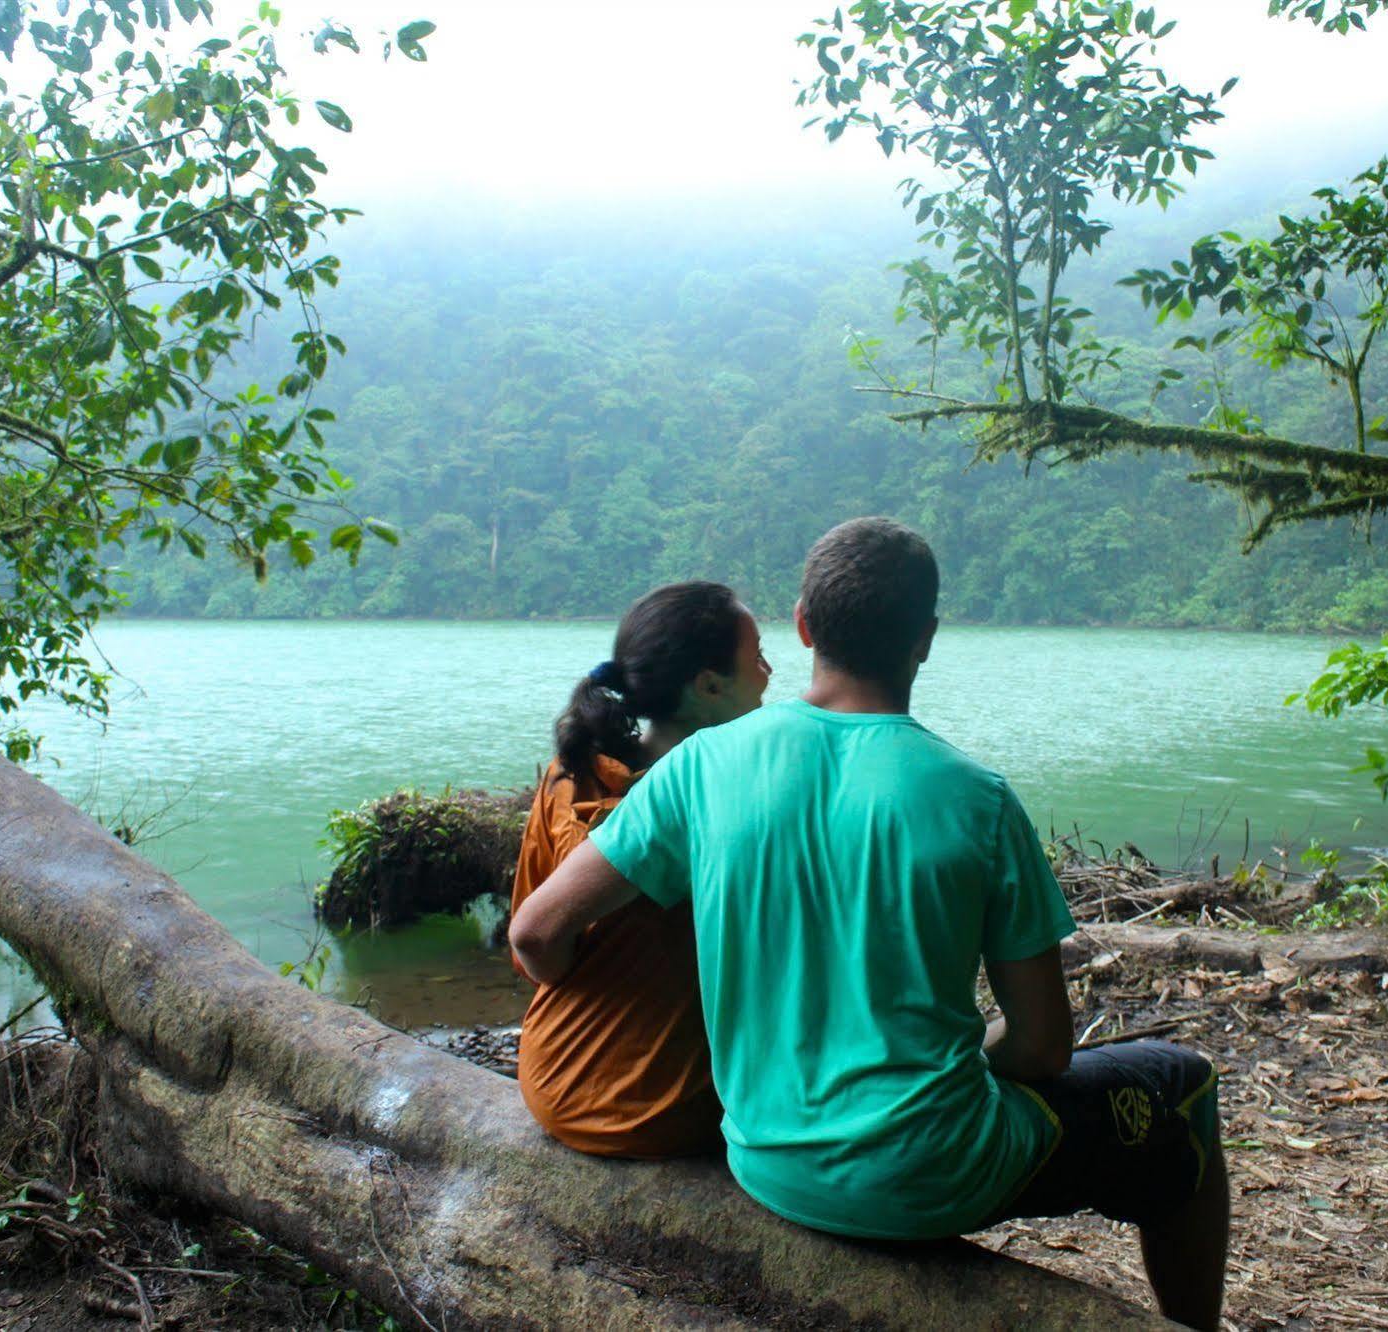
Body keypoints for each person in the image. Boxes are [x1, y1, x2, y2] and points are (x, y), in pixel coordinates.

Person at [510, 518, 1229, 1330]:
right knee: (1181, 1083)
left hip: (765, 1162)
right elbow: (1041, 1048)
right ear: (924, 639)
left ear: (806, 626)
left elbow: (536, 932)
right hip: (934, 1175)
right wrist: (962, 1066)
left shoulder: (698, 766)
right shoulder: (978, 798)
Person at [508, 580, 770, 1158]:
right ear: (707, 686)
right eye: (757, 658)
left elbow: (532, 950)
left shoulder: (571, 774)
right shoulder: (723, 796)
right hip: (659, 1106)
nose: (769, 672)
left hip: (551, 1074)